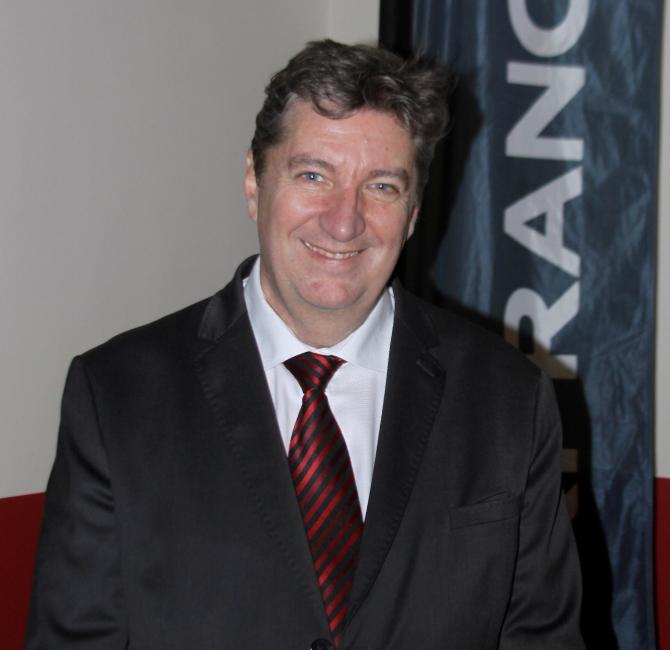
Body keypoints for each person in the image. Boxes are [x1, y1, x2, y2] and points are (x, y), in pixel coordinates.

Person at [26, 39, 584, 649]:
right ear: (254, 182)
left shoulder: (508, 398)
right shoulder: (117, 396)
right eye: (314, 175)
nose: (344, 221)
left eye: (382, 186)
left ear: (413, 212)